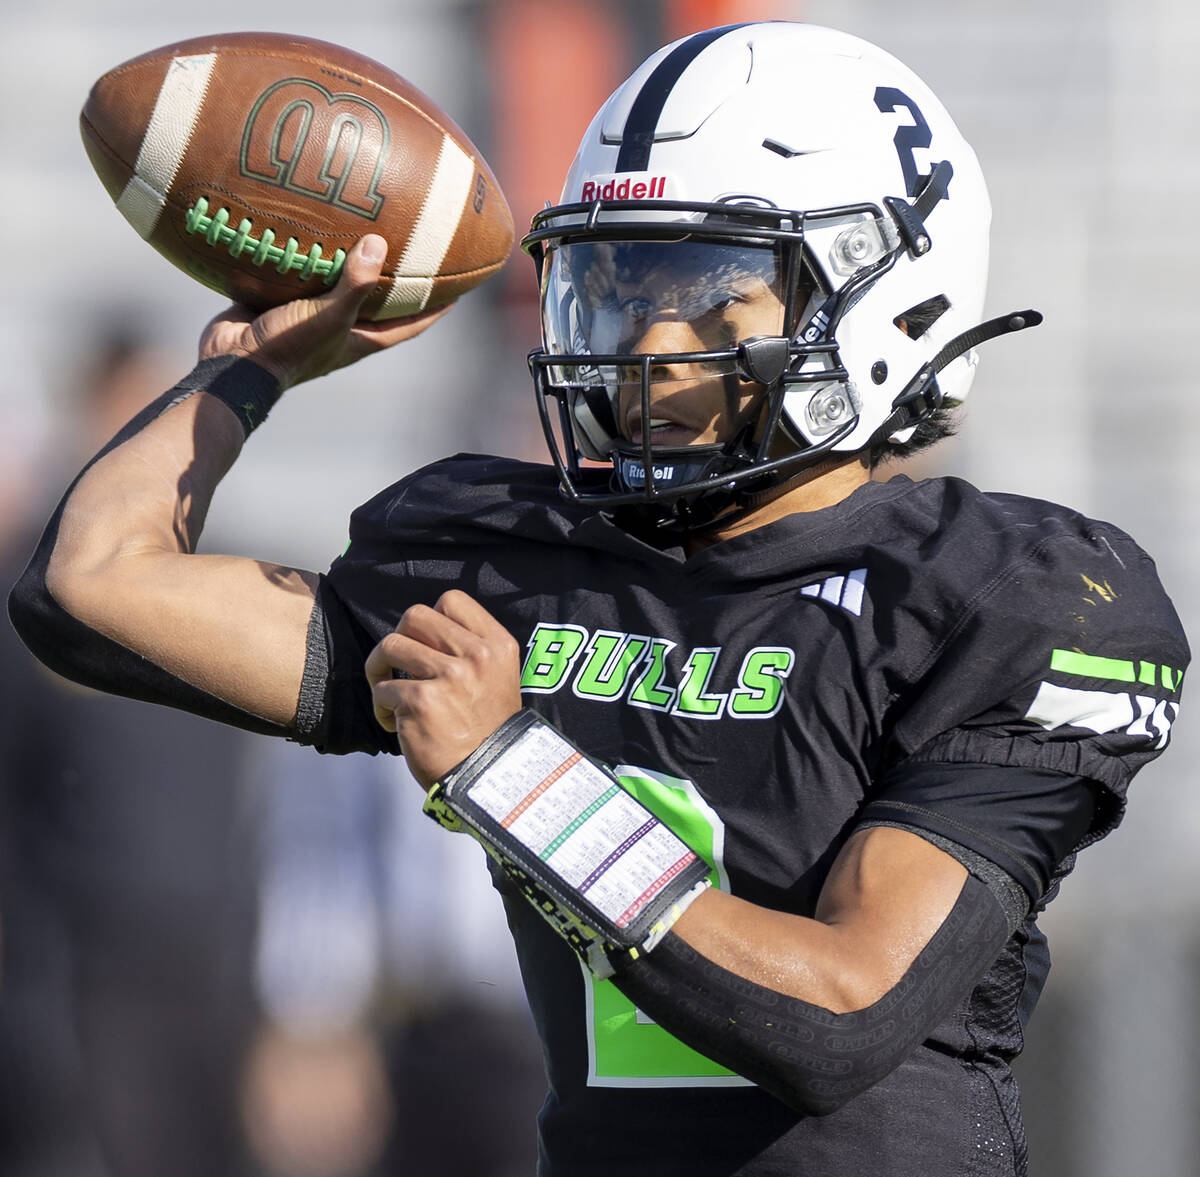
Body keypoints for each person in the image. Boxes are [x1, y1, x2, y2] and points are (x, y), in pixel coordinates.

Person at [8, 21, 1189, 1177]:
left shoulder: (1009, 594)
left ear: (886, 300)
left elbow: (837, 1016)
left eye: (713, 300)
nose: (647, 347)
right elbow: (93, 587)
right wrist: (250, 370)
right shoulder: (517, 561)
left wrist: (509, 771)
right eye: (620, 287)